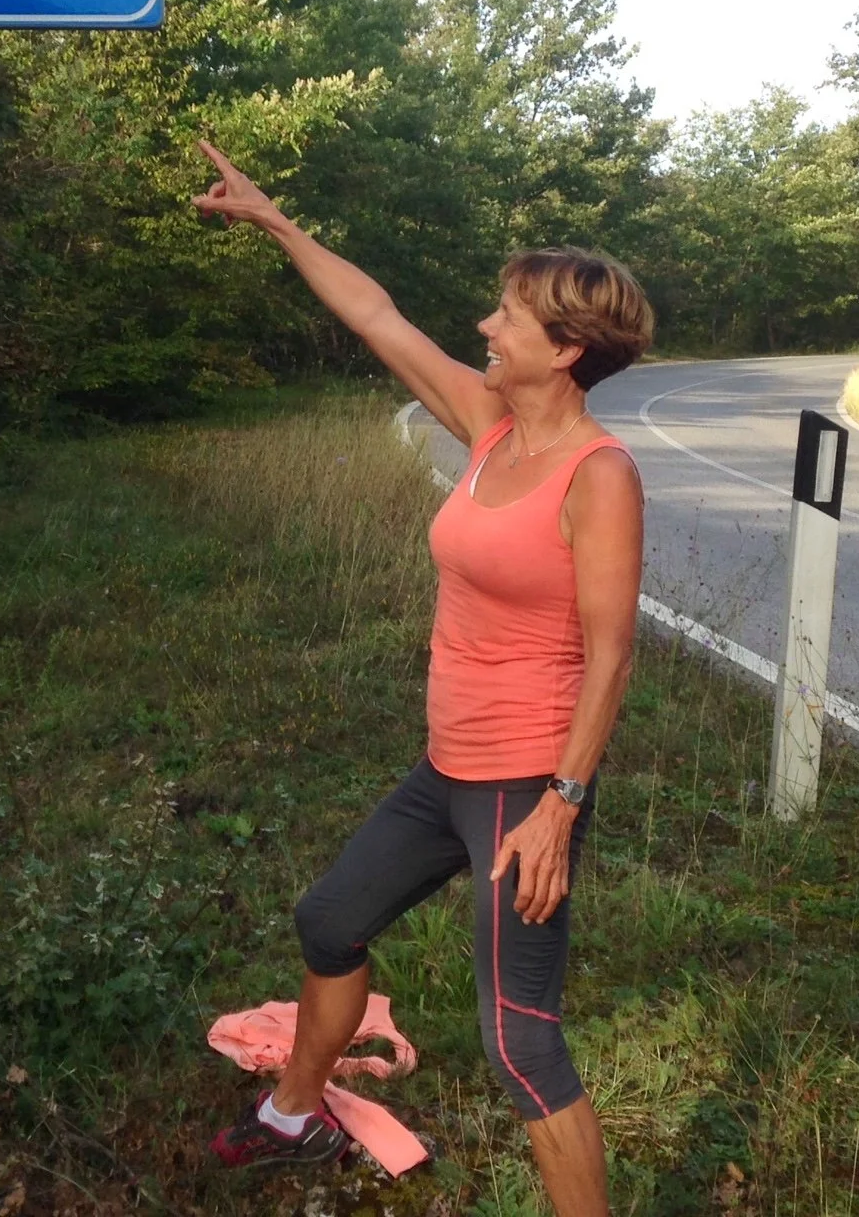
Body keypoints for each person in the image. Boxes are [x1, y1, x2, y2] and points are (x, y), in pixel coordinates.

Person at [194, 143, 649, 1215]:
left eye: (505, 316)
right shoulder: (492, 429)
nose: (485, 326)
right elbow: (377, 316)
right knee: (328, 921)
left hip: (522, 783)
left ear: (566, 348)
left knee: (519, 1038)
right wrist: (274, 222)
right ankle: (294, 1120)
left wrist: (559, 806)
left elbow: (611, 651)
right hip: (447, 770)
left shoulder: (601, 476)